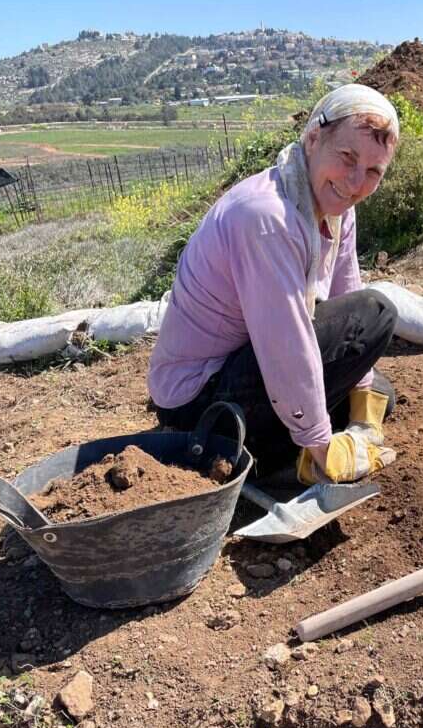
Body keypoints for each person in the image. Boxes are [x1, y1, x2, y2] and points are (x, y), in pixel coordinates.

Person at [148, 84, 401, 485]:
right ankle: (273, 464)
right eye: (347, 157)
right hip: (196, 402)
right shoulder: (267, 217)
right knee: (376, 314)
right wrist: (322, 450)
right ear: (314, 139)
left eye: (373, 171)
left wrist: (362, 409)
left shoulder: (334, 204)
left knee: (377, 393)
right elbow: (285, 342)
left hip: (240, 364)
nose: (355, 182)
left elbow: (344, 290)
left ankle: (279, 446)